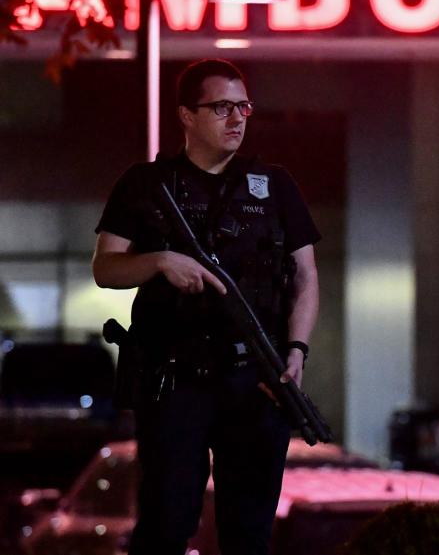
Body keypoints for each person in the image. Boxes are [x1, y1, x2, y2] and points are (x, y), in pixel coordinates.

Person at [91, 59, 320, 555]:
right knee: (165, 528)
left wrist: (297, 349)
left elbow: (306, 277)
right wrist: (159, 261)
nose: (237, 118)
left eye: (243, 106)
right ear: (186, 115)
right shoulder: (147, 184)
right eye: (222, 107)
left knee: (250, 534)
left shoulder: (274, 186)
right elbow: (105, 268)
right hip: (177, 380)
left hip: (256, 379)